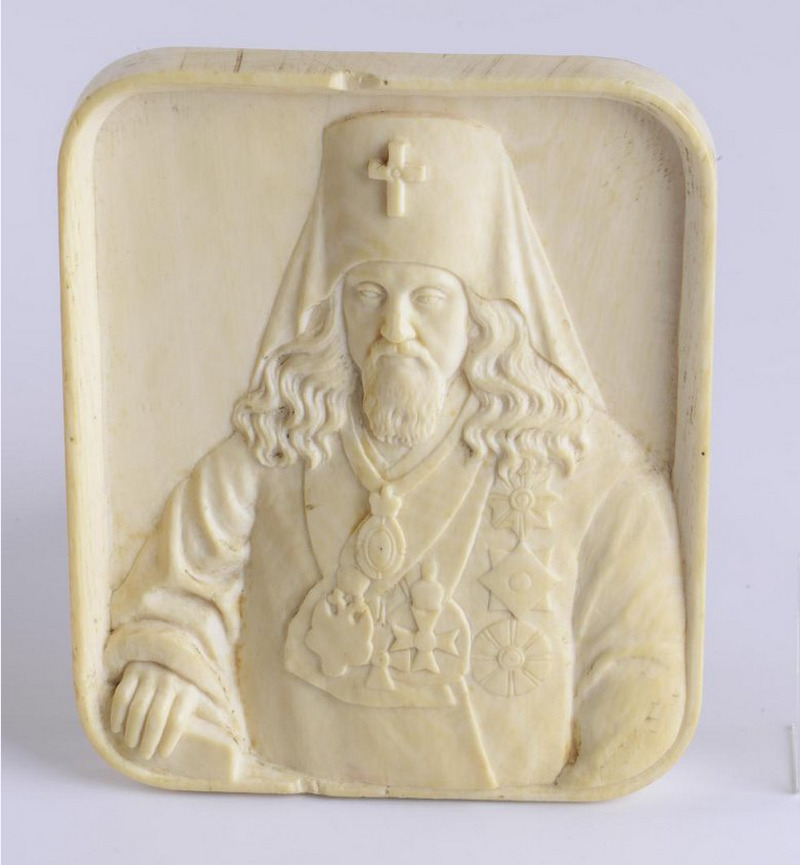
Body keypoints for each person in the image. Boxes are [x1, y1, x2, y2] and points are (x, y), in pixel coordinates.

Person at [105, 113, 686, 792]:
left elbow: (638, 685)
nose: (395, 329)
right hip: (288, 819)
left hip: (508, 830)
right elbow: (173, 600)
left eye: (429, 298)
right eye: (368, 295)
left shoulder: (588, 470)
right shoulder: (273, 448)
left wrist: (582, 809)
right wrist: (167, 667)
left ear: (482, 316)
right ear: (333, 311)